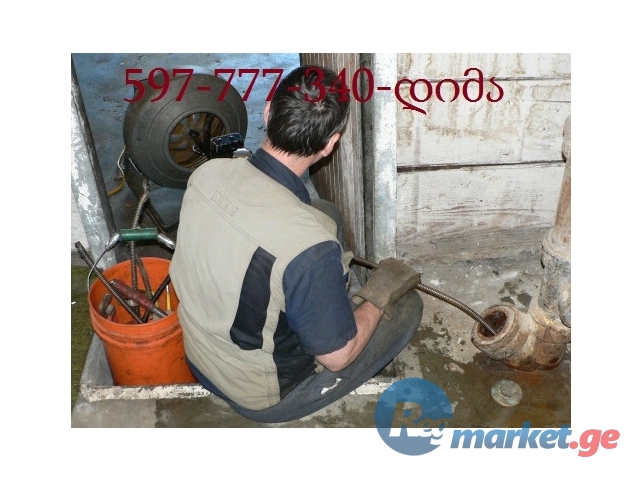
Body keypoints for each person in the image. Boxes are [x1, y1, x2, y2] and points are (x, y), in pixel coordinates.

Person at [169, 65, 424, 423]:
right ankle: (326, 321)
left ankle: (320, 303)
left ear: (267, 112)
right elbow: (336, 359)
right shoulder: (310, 248)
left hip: (197, 354)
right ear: (330, 144)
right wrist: (376, 301)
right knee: (408, 307)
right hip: (260, 394)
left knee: (325, 212)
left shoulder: (206, 173)